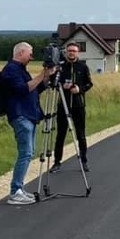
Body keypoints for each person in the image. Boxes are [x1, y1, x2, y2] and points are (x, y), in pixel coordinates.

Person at [1, 41, 55, 205]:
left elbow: (34, 90)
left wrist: (46, 77)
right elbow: (23, 89)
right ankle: (15, 191)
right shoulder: (10, 70)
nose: (32, 57)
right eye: (29, 53)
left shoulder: (21, 70)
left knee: (28, 153)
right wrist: (41, 75)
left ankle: (19, 189)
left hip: (29, 115)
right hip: (20, 116)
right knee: (25, 153)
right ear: (20, 53)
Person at [49, 42, 93, 173]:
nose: (71, 53)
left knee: (81, 134)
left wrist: (80, 89)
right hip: (63, 104)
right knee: (60, 135)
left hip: (78, 105)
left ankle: (84, 161)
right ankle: (57, 162)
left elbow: (89, 84)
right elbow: (53, 82)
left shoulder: (83, 67)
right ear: (66, 52)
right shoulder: (61, 67)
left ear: (77, 52)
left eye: (74, 51)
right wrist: (60, 86)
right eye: (69, 51)